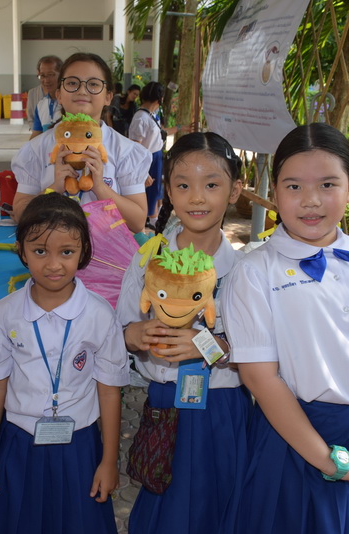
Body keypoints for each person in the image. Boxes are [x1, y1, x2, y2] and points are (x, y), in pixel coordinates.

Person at [221, 122, 349, 533]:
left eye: (327, 184)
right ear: (275, 191)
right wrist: (330, 461)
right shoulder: (254, 272)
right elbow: (260, 378)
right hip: (292, 438)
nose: (310, 200)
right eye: (293, 186)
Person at [117, 132, 250, 534]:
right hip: (164, 405)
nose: (197, 197)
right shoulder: (148, 259)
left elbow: (253, 349)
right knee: (164, 512)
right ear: (169, 191)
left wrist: (204, 344)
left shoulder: (245, 271)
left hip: (220, 409)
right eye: (183, 185)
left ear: (234, 191)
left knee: (218, 507)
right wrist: (135, 335)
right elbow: (122, 329)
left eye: (211, 184)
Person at [0, 192, 128, 534]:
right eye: (40, 251)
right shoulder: (5, 315)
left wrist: (108, 460)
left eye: (67, 252)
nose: (54, 264)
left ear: (84, 251)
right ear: (21, 251)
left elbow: (109, 392)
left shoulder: (100, 315)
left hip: (80, 444)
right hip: (19, 442)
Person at [11, 52, 151, 233]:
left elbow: (137, 222)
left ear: (108, 97)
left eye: (93, 84)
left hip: (106, 250)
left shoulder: (126, 151)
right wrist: (54, 189)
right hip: (52, 249)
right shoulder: (35, 149)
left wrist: (101, 188)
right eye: (72, 83)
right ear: (59, 95)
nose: (82, 90)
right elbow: (20, 214)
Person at [128, 81, 184, 229]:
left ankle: (155, 220)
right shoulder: (141, 117)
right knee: (148, 193)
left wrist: (180, 128)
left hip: (156, 157)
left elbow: (162, 132)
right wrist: (143, 171)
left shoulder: (151, 115)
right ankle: (150, 224)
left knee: (156, 192)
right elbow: (135, 147)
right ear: (160, 98)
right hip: (147, 160)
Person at [29, 55, 63, 140]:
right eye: (42, 76)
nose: (46, 80)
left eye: (51, 75)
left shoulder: (71, 102)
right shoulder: (40, 105)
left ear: (61, 75)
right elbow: (36, 135)